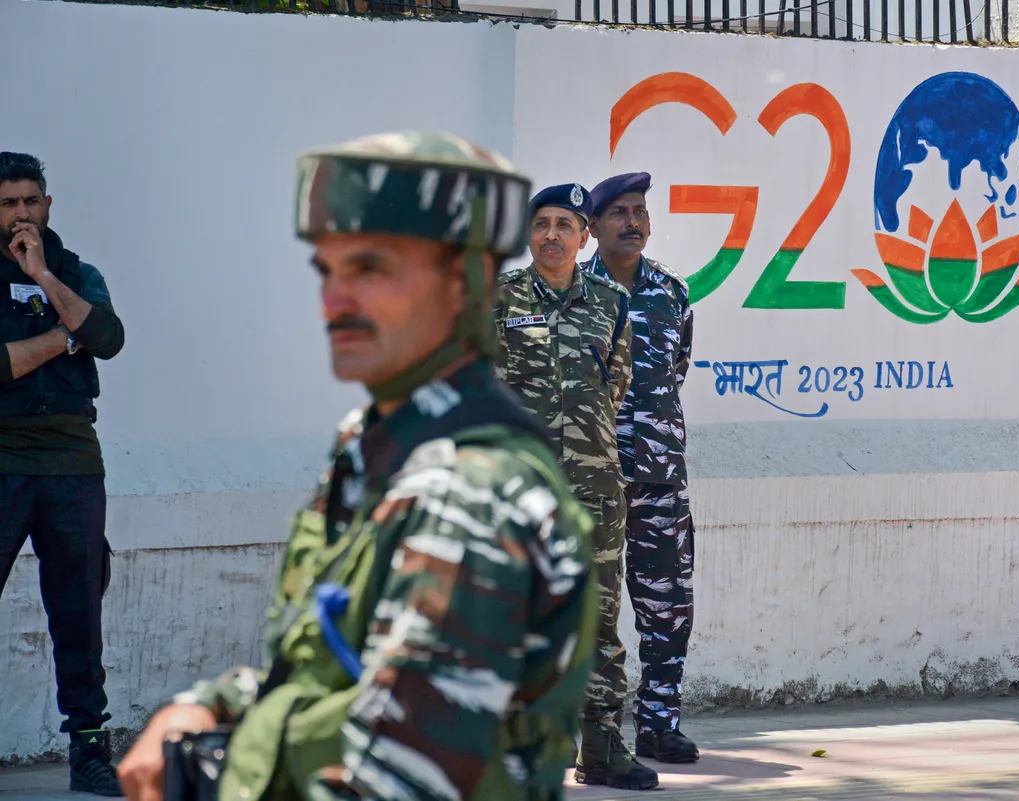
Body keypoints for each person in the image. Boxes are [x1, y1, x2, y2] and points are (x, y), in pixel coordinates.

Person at [116, 131, 598, 801]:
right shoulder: (374, 443)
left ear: (466, 282)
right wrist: (213, 704)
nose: (335, 300)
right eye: (327, 271)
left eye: (370, 268)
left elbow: (402, 773)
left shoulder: (473, 494)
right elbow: (333, 669)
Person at [492, 183, 650, 790]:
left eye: (565, 225)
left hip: (594, 488)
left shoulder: (610, 300)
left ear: (585, 237)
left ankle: (604, 747)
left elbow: (616, 385)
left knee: (599, 618)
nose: (551, 235)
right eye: (542, 224)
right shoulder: (498, 299)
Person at [0, 152, 127, 797]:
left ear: (48, 205)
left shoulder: (76, 272)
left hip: (74, 460)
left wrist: (45, 276)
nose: (21, 213)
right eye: (7, 203)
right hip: (3, 457)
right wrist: (62, 337)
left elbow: (107, 335)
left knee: (78, 611)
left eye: (31, 200)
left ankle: (88, 751)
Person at [584, 172, 698, 765]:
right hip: (593, 477)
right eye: (620, 212)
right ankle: (589, 733)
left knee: (668, 601)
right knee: (587, 608)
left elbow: (674, 372)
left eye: (641, 211)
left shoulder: (672, 293)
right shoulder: (575, 294)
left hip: (657, 473)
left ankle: (659, 725)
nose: (634, 221)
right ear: (593, 227)